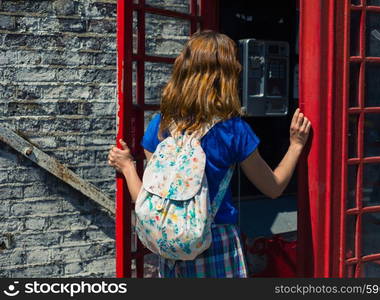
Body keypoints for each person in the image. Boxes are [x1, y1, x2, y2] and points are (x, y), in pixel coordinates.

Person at [108, 30, 311, 278]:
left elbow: (149, 199)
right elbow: (274, 187)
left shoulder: (161, 125)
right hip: (216, 246)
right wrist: (296, 145)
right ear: (225, 76)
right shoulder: (232, 130)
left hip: (172, 249)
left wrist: (128, 166)